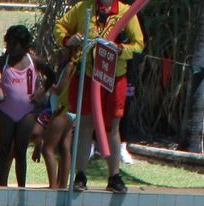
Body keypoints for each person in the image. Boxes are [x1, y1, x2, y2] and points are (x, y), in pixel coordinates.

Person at [52, 0, 144, 193]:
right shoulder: (83, 8)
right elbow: (59, 27)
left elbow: (139, 46)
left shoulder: (126, 12)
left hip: (114, 78)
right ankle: (80, 176)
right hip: (87, 75)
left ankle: (114, 176)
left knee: (112, 128)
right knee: (85, 126)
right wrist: (69, 39)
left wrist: (120, 49)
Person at [0, 26, 42, 188]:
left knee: (20, 152)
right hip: (5, 111)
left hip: (26, 113)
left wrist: (41, 90)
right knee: (3, 150)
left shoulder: (34, 61)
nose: (12, 47)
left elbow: (51, 76)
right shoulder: (3, 61)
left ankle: (21, 189)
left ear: (23, 44)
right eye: (10, 43)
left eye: (15, 44)